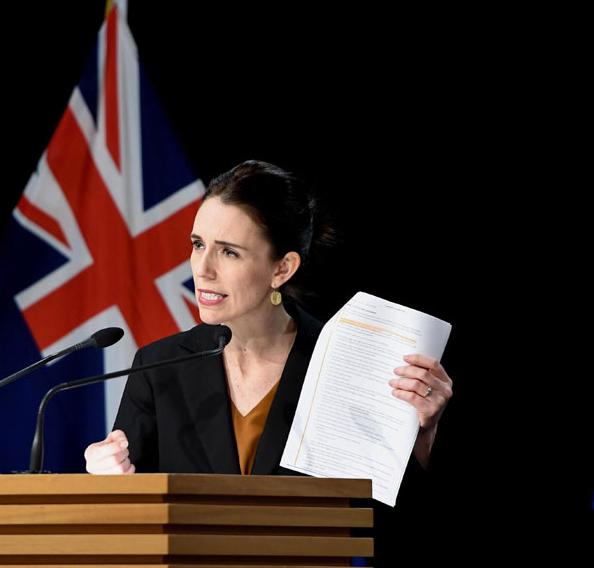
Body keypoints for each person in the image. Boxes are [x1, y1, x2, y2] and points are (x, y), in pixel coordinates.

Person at [84, 160, 453, 563]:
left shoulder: (343, 365)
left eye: (229, 252)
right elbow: (126, 527)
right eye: (198, 244)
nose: (202, 269)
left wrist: (421, 439)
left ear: (282, 268)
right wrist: (108, 482)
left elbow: (387, 526)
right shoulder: (159, 366)